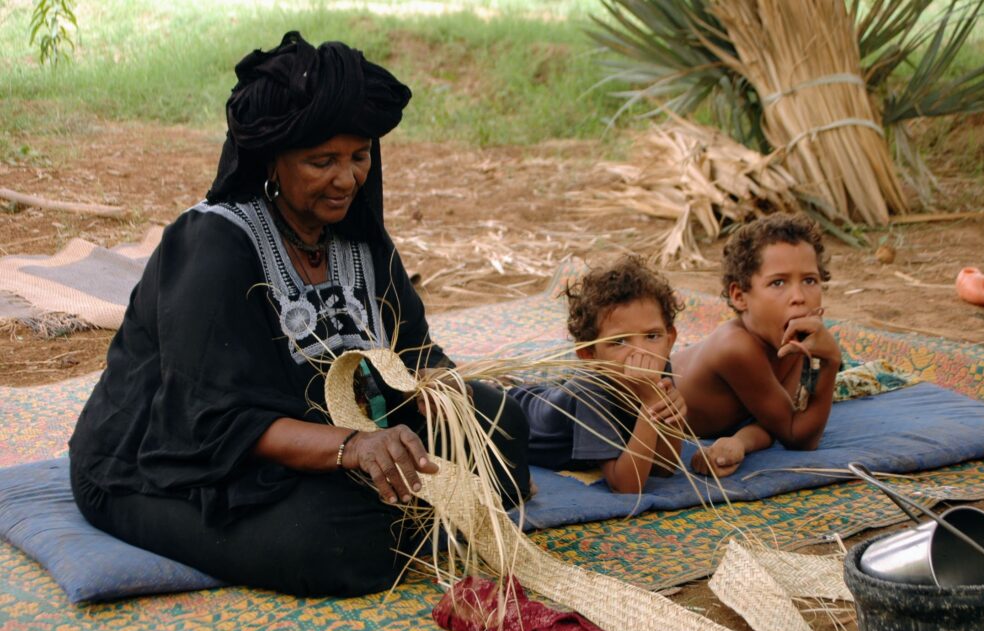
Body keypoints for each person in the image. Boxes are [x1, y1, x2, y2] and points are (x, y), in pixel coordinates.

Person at [68, 31, 531, 598]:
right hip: (170, 464)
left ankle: (392, 504)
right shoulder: (216, 246)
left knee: (501, 425)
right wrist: (351, 448)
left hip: (339, 438)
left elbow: (413, 350)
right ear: (273, 161)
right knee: (336, 538)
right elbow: (212, 422)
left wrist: (437, 397)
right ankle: (387, 514)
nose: (347, 179)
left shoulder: (357, 235)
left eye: (359, 157)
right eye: (322, 161)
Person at [671, 213, 840, 478]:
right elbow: (798, 436)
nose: (798, 297)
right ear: (740, 297)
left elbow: (777, 421)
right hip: (633, 401)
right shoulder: (736, 348)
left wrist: (740, 442)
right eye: (778, 283)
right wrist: (831, 362)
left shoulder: (792, 336)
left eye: (809, 280)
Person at [510, 256, 687, 494]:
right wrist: (650, 409)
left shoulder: (658, 366)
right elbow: (627, 486)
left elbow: (664, 468)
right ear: (589, 354)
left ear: (669, 339)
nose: (641, 352)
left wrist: (670, 417)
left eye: (652, 336)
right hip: (513, 416)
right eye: (619, 341)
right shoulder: (591, 392)